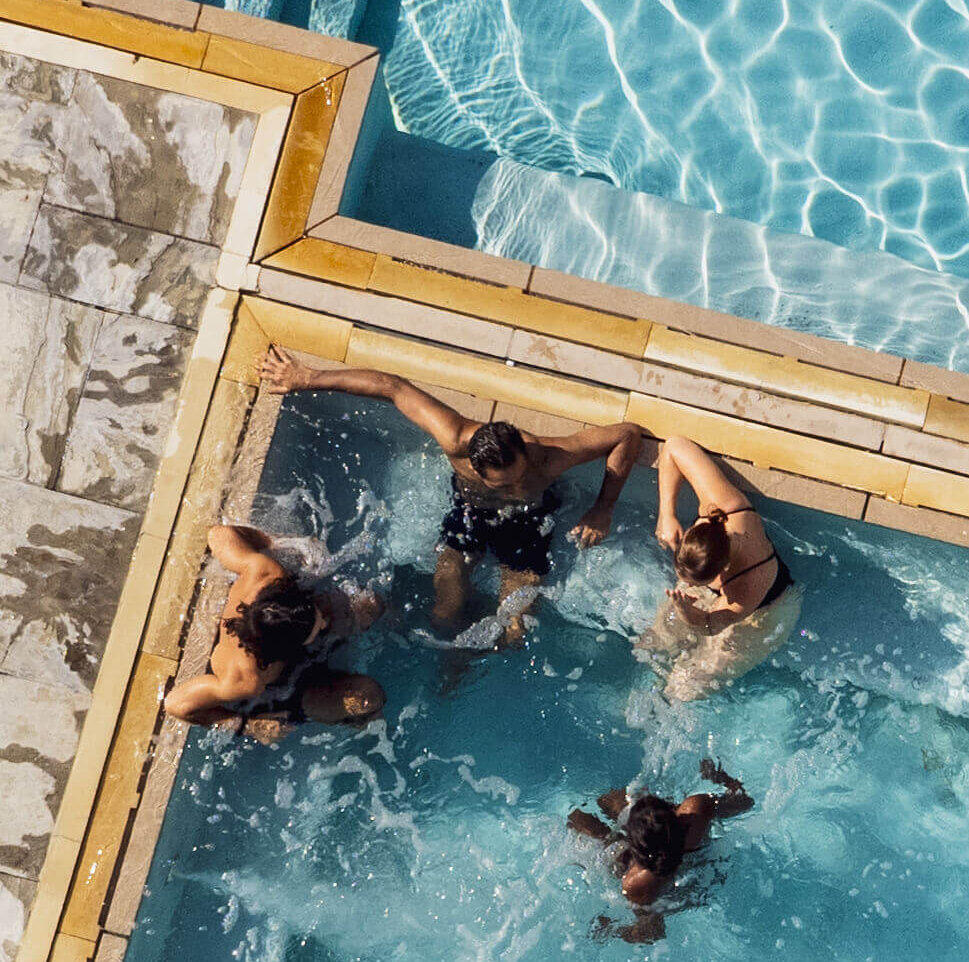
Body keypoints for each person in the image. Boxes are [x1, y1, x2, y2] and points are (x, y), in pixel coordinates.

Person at [259, 347, 642, 645]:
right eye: (502, 482)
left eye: (518, 475)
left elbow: (627, 433)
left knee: (515, 628)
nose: (512, 484)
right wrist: (306, 377)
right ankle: (453, 664)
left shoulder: (550, 456)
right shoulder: (454, 439)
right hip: (470, 514)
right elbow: (392, 386)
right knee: (443, 614)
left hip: (529, 521)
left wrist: (603, 508)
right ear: (475, 466)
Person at [164, 525, 385, 741]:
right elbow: (176, 705)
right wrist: (247, 725)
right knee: (368, 699)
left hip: (286, 637)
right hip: (292, 684)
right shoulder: (243, 678)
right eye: (318, 625)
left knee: (373, 605)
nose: (325, 622)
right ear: (287, 648)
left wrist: (272, 542)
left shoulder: (264, 573)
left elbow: (218, 534)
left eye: (316, 617)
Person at [639, 435, 802, 700]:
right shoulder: (719, 507)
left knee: (684, 687)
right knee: (650, 646)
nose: (686, 585)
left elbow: (712, 625)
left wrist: (687, 613)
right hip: (714, 593)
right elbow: (674, 446)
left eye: (694, 582)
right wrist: (666, 514)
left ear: (723, 569)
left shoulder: (748, 583)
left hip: (762, 614)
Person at [567, 759, 754, 943]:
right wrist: (721, 777)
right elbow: (745, 802)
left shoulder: (637, 882)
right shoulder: (695, 812)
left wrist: (611, 929)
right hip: (700, 876)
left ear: (634, 846)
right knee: (610, 803)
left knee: (578, 817)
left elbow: (651, 931)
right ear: (675, 817)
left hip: (673, 888)